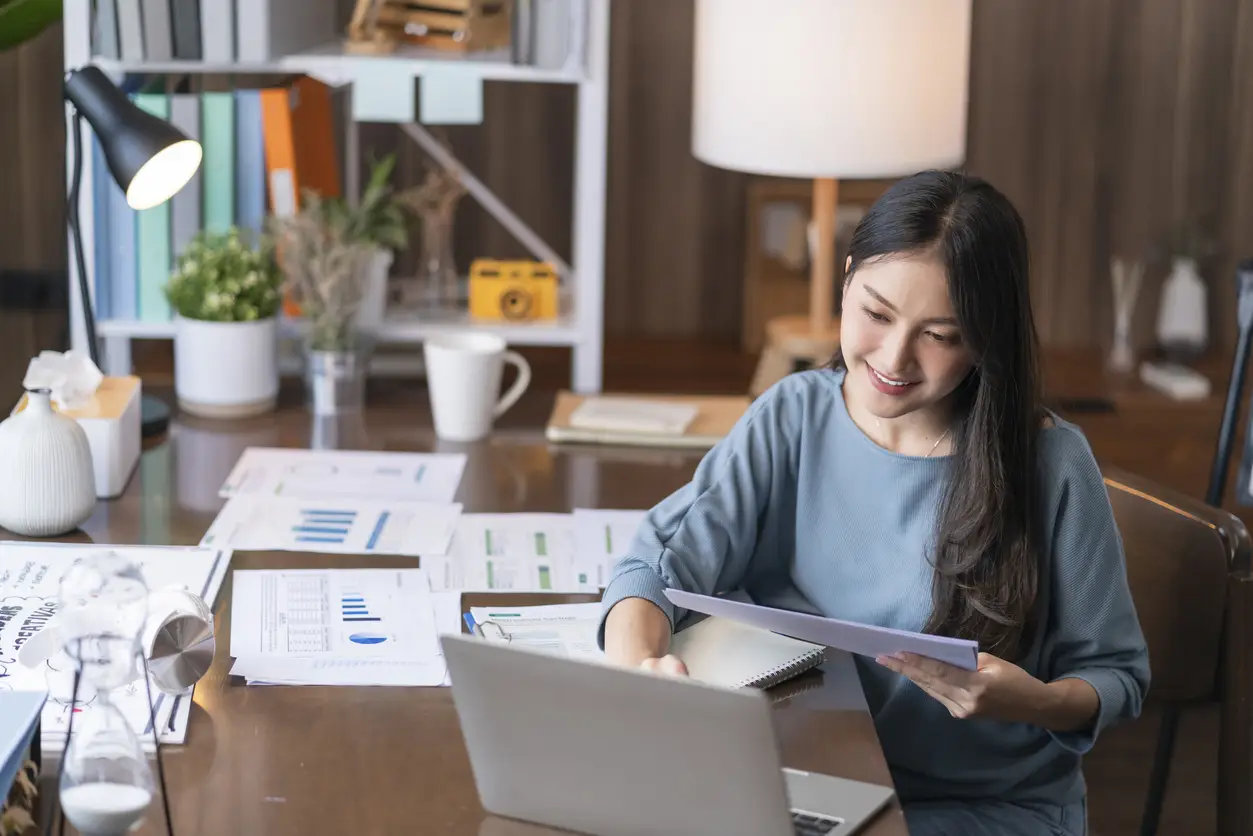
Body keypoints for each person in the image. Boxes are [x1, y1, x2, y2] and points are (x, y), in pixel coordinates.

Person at [597, 169, 1150, 836]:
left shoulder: (1050, 466)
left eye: (940, 335)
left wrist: (1031, 702)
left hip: (984, 809)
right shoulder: (792, 416)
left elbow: (1116, 677)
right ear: (846, 277)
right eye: (876, 313)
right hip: (812, 777)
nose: (893, 357)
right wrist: (638, 671)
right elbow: (654, 567)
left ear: (984, 339)